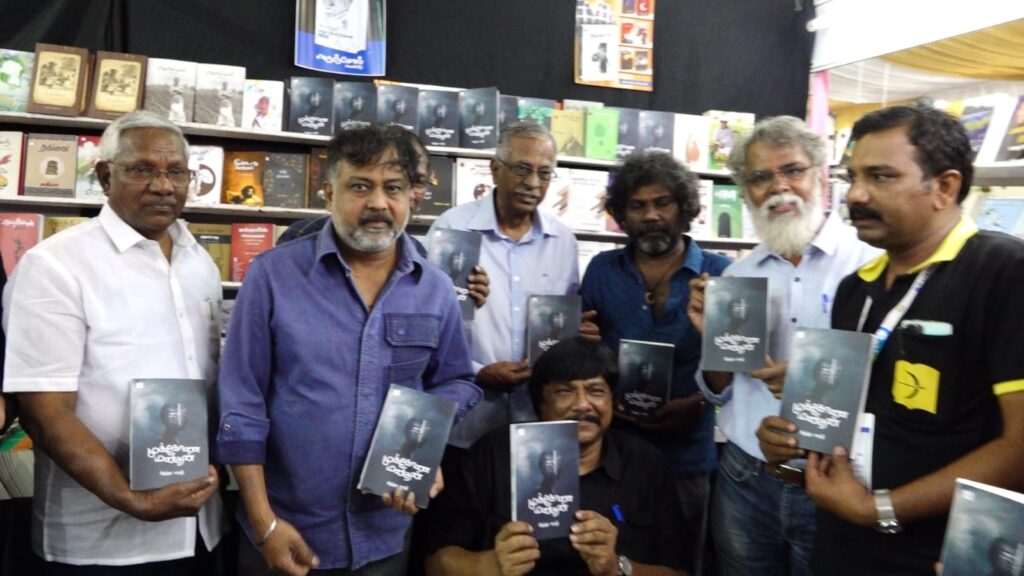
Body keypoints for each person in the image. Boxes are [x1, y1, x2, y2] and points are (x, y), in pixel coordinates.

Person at [757, 105, 1024, 575]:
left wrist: (877, 508)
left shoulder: (1002, 273)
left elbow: (1018, 446)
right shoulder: (856, 288)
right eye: (853, 177)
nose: (856, 194)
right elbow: (844, 422)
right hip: (841, 546)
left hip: (935, 554)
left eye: (881, 177)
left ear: (944, 187)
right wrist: (791, 448)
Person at [216, 124, 482, 575]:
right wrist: (264, 523)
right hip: (283, 531)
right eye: (360, 186)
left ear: (411, 197)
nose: (378, 202)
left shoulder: (436, 289)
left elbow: (455, 379)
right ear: (328, 194)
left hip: (384, 538)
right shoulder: (273, 276)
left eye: (392, 188)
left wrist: (424, 445)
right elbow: (241, 403)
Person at [2, 110, 225, 573]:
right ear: (105, 177)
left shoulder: (199, 262)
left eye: (176, 172)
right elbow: (44, 411)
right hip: (101, 543)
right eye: (142, 169)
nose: (163, 186)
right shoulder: (56, 266)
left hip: (200, 528)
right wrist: (129, 497)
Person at [686, 116, 878, 576]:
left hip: (837, 477)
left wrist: (812, 381)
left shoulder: (871, 264)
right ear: (745, 191)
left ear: (821, 175)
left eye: (792, 170)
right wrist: (709, 340)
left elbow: (897, 376)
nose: (779, 186)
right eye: (760, 177)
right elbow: (719, 390)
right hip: (746, 476)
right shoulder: (737, 276)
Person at [424, 337, 691, 576]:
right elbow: (435, 562)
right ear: (540, 404)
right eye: (565, 392)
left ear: (612, 400)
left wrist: (617, 567)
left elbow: (679, 571)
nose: (583, 405)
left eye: (596, 391)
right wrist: (487, 566)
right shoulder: (492, 455)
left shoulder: (645, 464)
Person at [581, 150, 730, 574]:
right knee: (610, 559)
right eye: (637, 205)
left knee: (681, 563)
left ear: (685, 208)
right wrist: (581, 336)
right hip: (614, 456)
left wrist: (697, 404)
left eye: (662, 203)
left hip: (688, 456)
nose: (651, 215)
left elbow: (736, 370)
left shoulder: (720, 274)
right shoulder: (602, 269)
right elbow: (585, 355)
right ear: (620, 214)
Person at [426, 121, 589, 449]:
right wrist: (477, 372)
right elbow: (428, 320)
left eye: (544, 173)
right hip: (466, 418)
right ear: (495, 169)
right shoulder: (453, 228)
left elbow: (561, 324)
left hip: (537, 419)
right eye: (522, 169)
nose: (533, 183)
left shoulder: (563, 242)